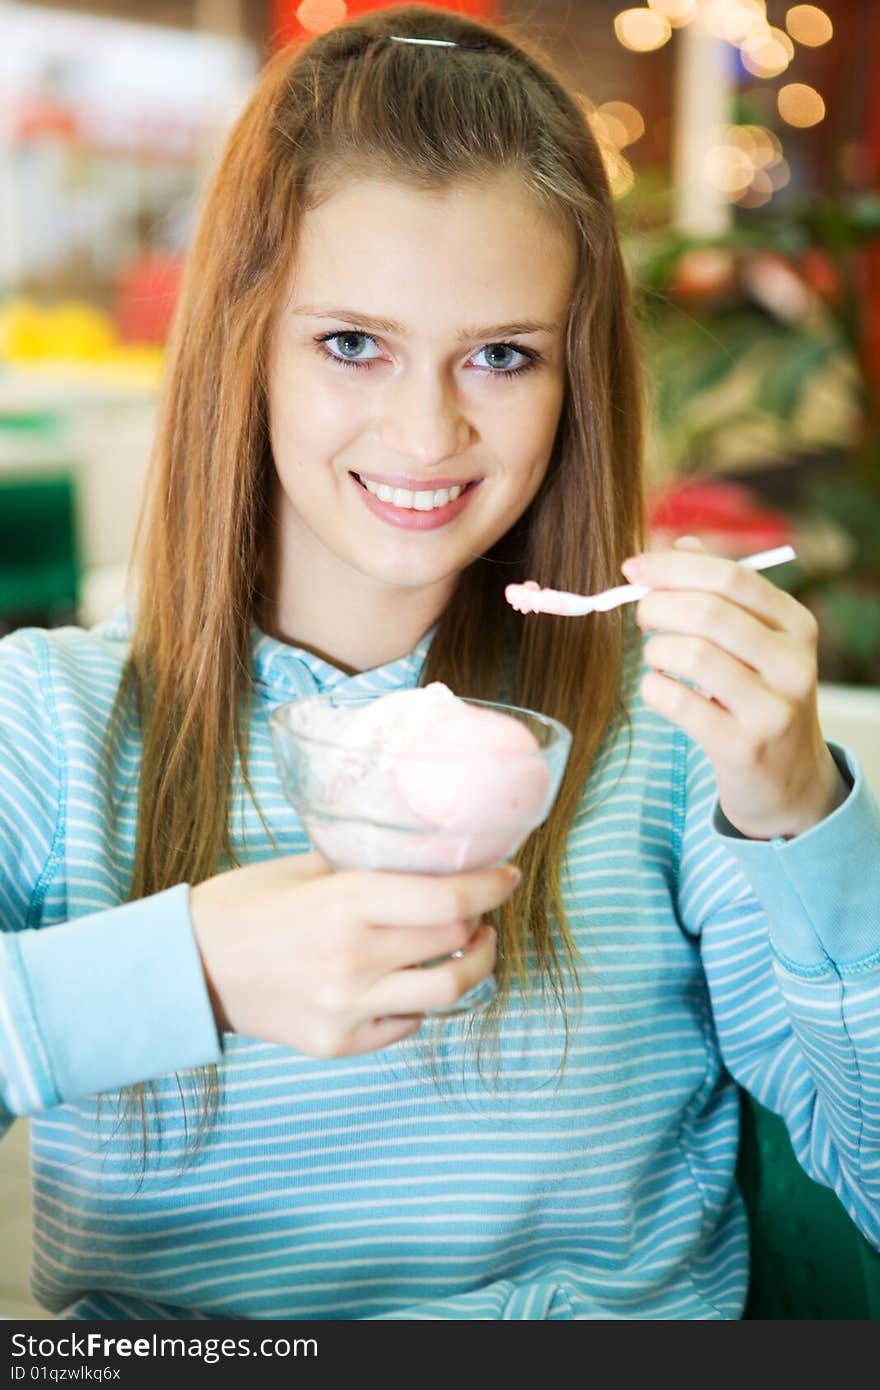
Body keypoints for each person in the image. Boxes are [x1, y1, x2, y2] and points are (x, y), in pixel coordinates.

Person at [1, 4, 878, 1323]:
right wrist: (186, 971)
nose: (428, 430)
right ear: (247, 344)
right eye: (352, 342)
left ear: (575, 375)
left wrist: (803, 815)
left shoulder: (666, 734)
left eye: (503, 354)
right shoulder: (50, 724)